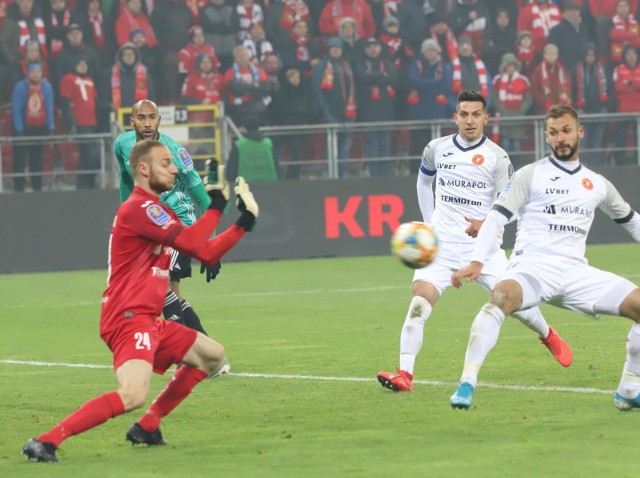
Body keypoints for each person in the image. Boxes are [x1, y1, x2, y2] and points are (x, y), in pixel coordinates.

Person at [22, 139, 259, 462]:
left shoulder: (156, 210)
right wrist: (216, 203)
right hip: (127, 317)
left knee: (212, 355)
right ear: (143, 169)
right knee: (133, 394)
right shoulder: (139, 207)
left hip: (147, 318)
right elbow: (193, 240)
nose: (174, 168)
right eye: (165, 163)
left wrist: (245, 221)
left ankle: (148, 426)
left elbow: (204, 251)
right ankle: (46, 441)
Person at [376, 91, 572, 393]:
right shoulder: (436, 148)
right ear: (455, 117)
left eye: (475, 114)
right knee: (418, 304)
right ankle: (405, 374)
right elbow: (424, 182)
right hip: (440, 251)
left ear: (486, 118)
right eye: (464, 114)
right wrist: (429, 225)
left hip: (484, 251)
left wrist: (487, 223)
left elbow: (513, 204)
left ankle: (548, 334)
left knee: (516, 304)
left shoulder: (497, 158)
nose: (469, 120)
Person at [449, 104, 640, 410]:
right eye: (553, 132)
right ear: (546, 136)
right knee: (500, 297)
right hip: (532, 269)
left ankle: (629, 388)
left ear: (579, 132)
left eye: (566, 131)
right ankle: (467, 383)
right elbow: (497, 217)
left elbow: (631, 220)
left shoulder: (597, 184)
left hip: (577, 273)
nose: (560, 138)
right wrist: (477, 260)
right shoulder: (530, 175)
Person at [115, 99, 220, 336]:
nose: (147, 123)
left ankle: (190, 354)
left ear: (159, 120)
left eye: (152, 117)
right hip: (152, 227)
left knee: (160, 288)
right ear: (131, 121)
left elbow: (204, 200)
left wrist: (209, 247)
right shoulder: (123, 144)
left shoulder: (173, 152)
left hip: (178, 225)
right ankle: (210, 354)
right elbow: (124, 177)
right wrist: (126, 215)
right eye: (141, 118)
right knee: (171, 291)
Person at [11, 62, 55, 192]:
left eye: (38, 72)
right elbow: (16, 109)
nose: (36, 74)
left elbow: (48, 108)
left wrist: (51, 127)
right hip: (22, 127)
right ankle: (18, 187)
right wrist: (19, 129)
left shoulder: (46, 87)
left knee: (36, 158)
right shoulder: (20, 87)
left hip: (38, 126)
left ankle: (37, 186)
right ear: (28, 73)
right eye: (33, 71)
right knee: (19, 159)